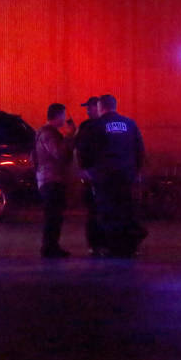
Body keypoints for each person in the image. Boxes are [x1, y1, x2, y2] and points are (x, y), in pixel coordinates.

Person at [80, 94, 146, 257]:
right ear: (116, 106)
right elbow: (140, 149)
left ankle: (111, 247)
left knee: (106, 211)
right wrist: (137, 171)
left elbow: (85, 150)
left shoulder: (95, 126)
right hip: (126, 176)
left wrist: (87, 171)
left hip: (104, 177)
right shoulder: (130, 124)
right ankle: (128, 247)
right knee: (126, 210)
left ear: (101, 107)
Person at [35, 102, 75, 258]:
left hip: (46, 178)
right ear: (58, 115)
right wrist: (70, 137)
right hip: (52, 179)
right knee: (54, 216)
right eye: (64, 115)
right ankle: (50, 248)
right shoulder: (49, 134)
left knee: (53, 215)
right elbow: (60, 154)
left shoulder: (41, 133)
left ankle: (51, 246)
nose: (65, 119)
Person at [74, 96, 103, 255]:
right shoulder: (86, 126)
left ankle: (98, 243)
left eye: (90, 107)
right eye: (87, 107)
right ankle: (94, 244)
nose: (87, 110)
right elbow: (78, 148)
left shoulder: (98, 125)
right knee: (93, 211)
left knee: (97, 211)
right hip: (92, 174)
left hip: (97, 173)